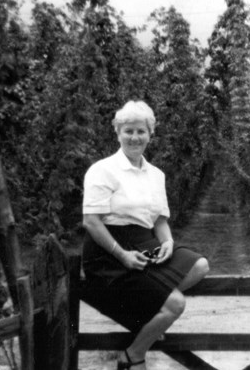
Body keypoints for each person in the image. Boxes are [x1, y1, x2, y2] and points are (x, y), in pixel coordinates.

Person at [82, 100, 209, 370]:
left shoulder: (156, 175)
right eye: (128, 131)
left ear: (150, 134)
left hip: (145, 243)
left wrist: (168, 243)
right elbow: (91, 222)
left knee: (200, 265)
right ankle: (133, 356)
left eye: (141, 131)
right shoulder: (102, 170)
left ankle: (147, 314)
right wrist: (122, 255)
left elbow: (160, 220)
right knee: (174, 304)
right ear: (117, 132)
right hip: (108, 252)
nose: (134, 137)